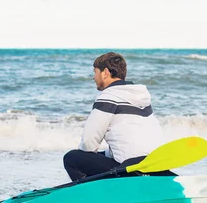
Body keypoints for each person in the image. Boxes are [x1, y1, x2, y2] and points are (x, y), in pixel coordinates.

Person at [63, 52, 175, 181]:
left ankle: (93, 195)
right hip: (155, 164)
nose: (94, 77)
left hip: (132, 170)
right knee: (103, 155)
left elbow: (88, 144)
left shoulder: (109, 97)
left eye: (95, 72)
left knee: (72, 158)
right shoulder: (141, 97)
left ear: (105, 72)